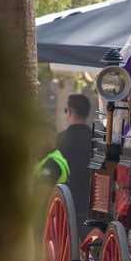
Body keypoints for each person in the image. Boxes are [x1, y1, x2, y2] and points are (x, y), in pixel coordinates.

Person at [56, 93, 94, 225]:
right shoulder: (95, 140)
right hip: (91, 201)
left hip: (64, 199)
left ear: (70, 111)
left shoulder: (60, 140)